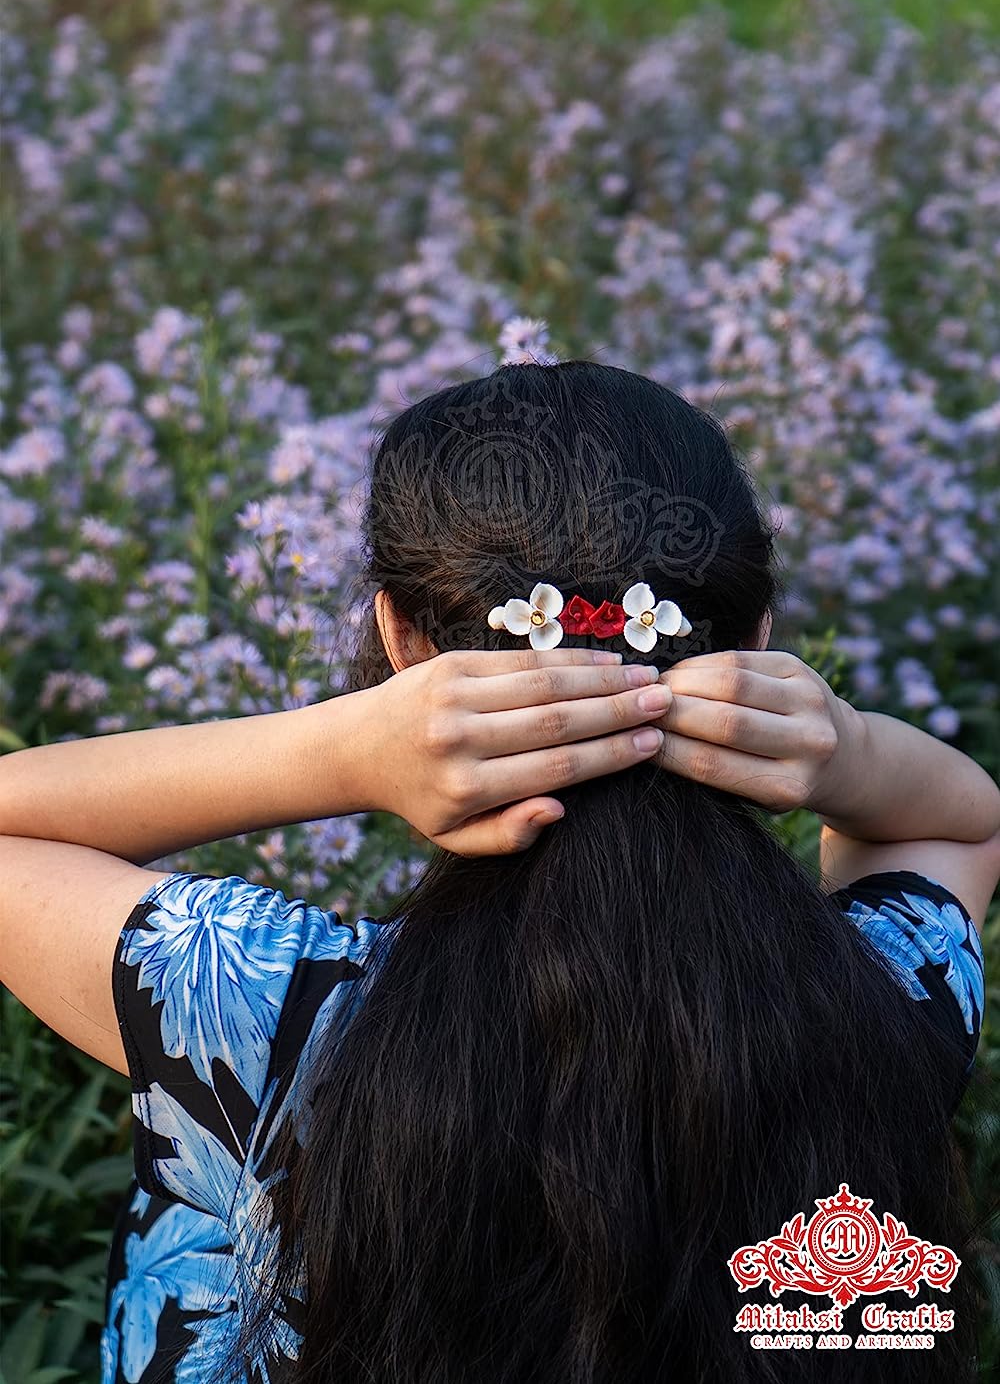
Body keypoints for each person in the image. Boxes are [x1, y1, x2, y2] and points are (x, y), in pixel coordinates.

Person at [0, 360, 995, 1384]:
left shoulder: (269, 1013)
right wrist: (848, 750)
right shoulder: (879, 1001)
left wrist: (336, 756)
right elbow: (961, 826)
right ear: (755, 641)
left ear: (398, 639)